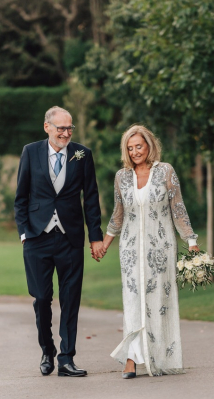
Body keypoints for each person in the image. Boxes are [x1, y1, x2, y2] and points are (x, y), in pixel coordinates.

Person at [98, 125, 199, 379]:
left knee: (158, 303)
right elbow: (118, 215)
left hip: (161, 250)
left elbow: (178, 209)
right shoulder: (121, 176)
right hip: (130, 251)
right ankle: (131, 360)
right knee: (133, 302)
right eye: (130, 148)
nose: (134, 152)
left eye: (138, 146)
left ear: (149, 145)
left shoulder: (166, 171)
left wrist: (191, 241)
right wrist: (103, 244)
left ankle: (159, 357)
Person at [14, 106, 104, 378]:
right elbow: (21, 197)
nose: (66, 133)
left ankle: (66, 358)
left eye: (69, 128)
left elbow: (90, 198)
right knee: (42, 298)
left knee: (70, 299)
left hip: (71, 238)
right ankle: (47, 350)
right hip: (37, 238)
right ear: (47, 127)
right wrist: (24, 232)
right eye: (60, 128)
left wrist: (95, 236)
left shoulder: (82, 155)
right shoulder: (30, 152)